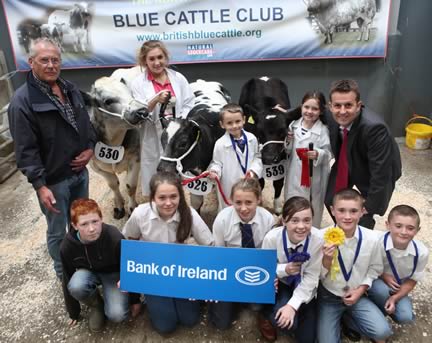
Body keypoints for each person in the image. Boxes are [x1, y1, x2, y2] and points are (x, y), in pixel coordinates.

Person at [7, 38, 96, 279]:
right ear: (31, 62)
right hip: (54, 182)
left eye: (55, 60)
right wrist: (39, 185)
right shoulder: (22, 102)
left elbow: (85, 123)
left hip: (80, 174)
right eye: (44, 60)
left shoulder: (69, 88)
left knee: (81, 222)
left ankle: (84, 264)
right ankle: (64, 274)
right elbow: (25, 150)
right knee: (57, 232)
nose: (50, 65)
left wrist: (90, 148)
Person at [122, 171, 214, 334]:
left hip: (182, 271)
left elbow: (209, 245)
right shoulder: (140, 214)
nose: (168, 203)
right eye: (162, 198)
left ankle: (189, 300)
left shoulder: (190, 214)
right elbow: (130, 243)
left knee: (190, 320)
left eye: (173, 196)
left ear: (180, 196)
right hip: (154, 274)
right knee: (166, 326)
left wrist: (203, 281)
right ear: (153, 197)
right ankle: (155, 300)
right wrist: (131, 276)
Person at [324, 79, 402, 229]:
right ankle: (343, 228)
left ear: (359, 105)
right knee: (330, 199)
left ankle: (363, 231)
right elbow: (309, 108)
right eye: (337, 105)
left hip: (372, 168)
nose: (342, 111)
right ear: (330, 106)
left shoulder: (375, 129)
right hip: (347, 158)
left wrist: (370, 206)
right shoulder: (330, 115)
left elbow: (381, 173)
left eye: (348, 105)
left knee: (363, 211)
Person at [317, 189, 392, 343]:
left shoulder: (371, 239)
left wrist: (361, 290)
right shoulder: (320, 237)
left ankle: (348, 318)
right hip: (329, 297)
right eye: (341, 210)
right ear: (332, 210)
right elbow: (315, 276)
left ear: (362, 211)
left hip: (357, 295)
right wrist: (326, 259)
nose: (347, 216)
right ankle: (339, 320)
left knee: (382, 332)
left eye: (353, 211)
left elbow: (375, 268)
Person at [60, 199, 140, 332]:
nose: (91, 229)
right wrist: (73, 311)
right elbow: (66, 276)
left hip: (113, 274)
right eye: (84, 224)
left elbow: (130, 267)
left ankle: (111, 302)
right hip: (88, 273)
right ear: (74, 226)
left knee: (117, 315)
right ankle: (96, 305)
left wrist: (135, 300)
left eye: (95, 221)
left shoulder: (114, 236)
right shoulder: (67, 246)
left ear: (101, 219)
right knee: (75, 285)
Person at [130, 40, 195, 197]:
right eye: (151, 59)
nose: (157, 62)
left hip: (177, 135)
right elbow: (137, 113)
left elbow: (189, 103)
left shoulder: (178, 78)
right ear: (144, 61)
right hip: (153, 134)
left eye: (160, 57)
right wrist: (154, 100)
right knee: (155, 176)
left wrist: (178, 123)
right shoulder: (138, 83)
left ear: (166, 57)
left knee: (177, 176)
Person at [209, 178, 275, 330]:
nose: (243, 208)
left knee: (256, 307)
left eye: (249, 202)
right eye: (238, 202)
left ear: (258, 200)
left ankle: (254, 308)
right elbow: (218, 254)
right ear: (231, 200)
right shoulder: (222, 220)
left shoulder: (267, 220)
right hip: (229, 270)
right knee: (221, 323)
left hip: (255, 270)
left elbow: (269, 255)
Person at [259, 196, 323, 342]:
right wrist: (284, 270)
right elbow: (264, 269)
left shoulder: (318, 240)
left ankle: (294, 311)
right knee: (286, 324)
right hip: (282, 284)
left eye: (307, 220)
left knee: (307, 339)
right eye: (294, 220)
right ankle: (265, 315)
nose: (301, 226)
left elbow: (312, 277)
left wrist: (292, 306)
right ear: (284, 221)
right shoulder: (272, 238)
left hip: (305, 287)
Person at [368, 205, 429, 325]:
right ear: (387, 225)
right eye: (398, 226)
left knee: (406, 317)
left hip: (397, 287)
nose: (404, 232)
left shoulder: (421, 252)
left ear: (417, 230)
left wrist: (394, 298)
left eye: (410, 228)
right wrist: (383, 275)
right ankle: (374, 314)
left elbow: (412, 280)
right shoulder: (375, 241)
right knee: (381, 292)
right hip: (375, 279)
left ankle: (388, 307)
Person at [284, 91, 332, 228]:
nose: (309, 111)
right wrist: (288, 140)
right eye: (306, 107)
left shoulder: (323, 131)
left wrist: (318, 154)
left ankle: (312, 229)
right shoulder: (293, 126)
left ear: (321, 111)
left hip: (314, 178)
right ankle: (291, 227)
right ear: (301, 107)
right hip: (294, 174)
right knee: (292, 202)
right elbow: (288, 151)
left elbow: (329, 153)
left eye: (315, 109)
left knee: (313, 206)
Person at [208, 103, 263, 210]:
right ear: (222, 124)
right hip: (229, 185)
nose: (234, 126)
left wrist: (253, 171)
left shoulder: (252, 139)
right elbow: (216, 163)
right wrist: (214, 172)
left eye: (237, 121)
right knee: (230, 211)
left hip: (249, 183)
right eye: (229, 123)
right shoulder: (220, 144)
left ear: (244, 120)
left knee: (249, 208)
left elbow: (257, 157)